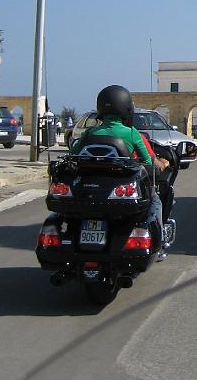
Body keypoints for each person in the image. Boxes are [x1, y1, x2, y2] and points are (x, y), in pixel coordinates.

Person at [71, 85, 171, 256]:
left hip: (89, 189)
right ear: (126, 107)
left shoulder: (89, 133)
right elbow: (148, 163)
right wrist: (164, 164)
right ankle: (160, 241)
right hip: (120, 189)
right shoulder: (131, 133)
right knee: (156, 202)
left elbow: (73, 154)